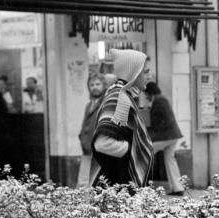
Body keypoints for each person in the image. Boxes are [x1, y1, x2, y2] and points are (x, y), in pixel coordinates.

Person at [90, 49, 153, 189]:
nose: (150, 76)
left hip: (117, 187)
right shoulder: (120, 98)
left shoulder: (123, 95)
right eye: (146, 72)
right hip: (116, 188)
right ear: (134, 73)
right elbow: (102, 143)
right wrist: (134, 149)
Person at [144, 81, 185, 196]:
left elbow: (157, 123)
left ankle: (144, 185)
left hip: (166, 136)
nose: (146, 96)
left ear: (150, 92)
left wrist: (148, 136)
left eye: (146, 94)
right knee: (170, 160)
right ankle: (178, 188)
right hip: (173, 135)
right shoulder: (161, 99)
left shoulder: (158, 101)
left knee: (146, 153)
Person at [77, 73, 106, 187]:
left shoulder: (106, 103)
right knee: (83, 182)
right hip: (87, 149)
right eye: (92, 84)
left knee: (99, 183)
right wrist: (82, 138)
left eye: (98, 84)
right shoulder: (89, 105)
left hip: (101, 149)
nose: (94, 87)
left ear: (104, 85)